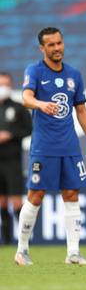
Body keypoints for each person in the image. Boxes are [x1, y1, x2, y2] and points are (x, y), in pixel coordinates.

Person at [15, 27, 86, 266]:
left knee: (72, 194)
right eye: (51, 45)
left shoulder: (74, 74)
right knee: (36, 194)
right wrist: (40, 105)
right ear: (42, 48)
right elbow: (25, 97)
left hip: (70, 146)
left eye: (59, 43)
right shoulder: (35, 71)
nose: (57, 48)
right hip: (44, 146)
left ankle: (73, 252)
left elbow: (81, 109)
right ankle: (22, 250)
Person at [0, 72, 32, 244]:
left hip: (13, 161)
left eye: (5, 84)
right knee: (2, 202)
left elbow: (29, 129)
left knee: (16, 201)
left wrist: (10, 134)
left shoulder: (18, 108)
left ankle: (24, 240)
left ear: (10, 86)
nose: (2, 88)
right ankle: (6, 241)